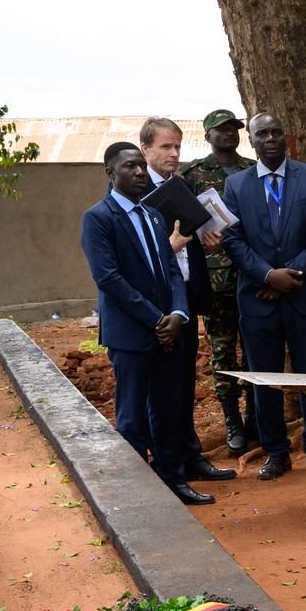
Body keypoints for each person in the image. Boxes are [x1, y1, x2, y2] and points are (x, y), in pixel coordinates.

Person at [80, 142, 203, 505]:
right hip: (131, 334)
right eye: (129, 167)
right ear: (110, 174)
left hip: (168, 332)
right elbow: (109, 279)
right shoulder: (98, 218)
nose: (137, 173)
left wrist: (179, 315)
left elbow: (171, 270)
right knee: (132, 415)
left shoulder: (152, 215)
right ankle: (138, 496)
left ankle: (174, 482)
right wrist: (155, 318)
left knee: (167, 411)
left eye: (139, 166)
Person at [221, 113, 306, 479]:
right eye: (262, 134)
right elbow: (232, 239)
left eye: (276, 132)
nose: (271, 138)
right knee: (265, 379)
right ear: (252, 142)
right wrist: (268, 276)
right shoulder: (235, 186)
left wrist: (290, 275)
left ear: (286, 137)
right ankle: (276, 452)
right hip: (258, 299)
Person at [138, 116, 236, 493]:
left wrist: (204, 242)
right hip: (156, 309)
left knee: (184, 383)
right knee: (161, 391)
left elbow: (188, 238)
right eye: (165, 147)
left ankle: (191, 456)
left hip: (187, 301)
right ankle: (169, 469)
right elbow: (133, 255)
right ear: (145, 149)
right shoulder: (134, 188)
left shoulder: (180, 186)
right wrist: (171, 248)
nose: (174, 154)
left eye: (177, 146)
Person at [180, 109, 257, 455]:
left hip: (252, 276)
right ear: (207, 136)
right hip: (216, 282)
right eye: (220, 130)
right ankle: (233, 422)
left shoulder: (252, 171)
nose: (228, 134)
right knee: (224, 354)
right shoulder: (192, 174)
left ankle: (256, 417)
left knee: (257, 352)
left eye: (233, 128)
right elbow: (180, 224)